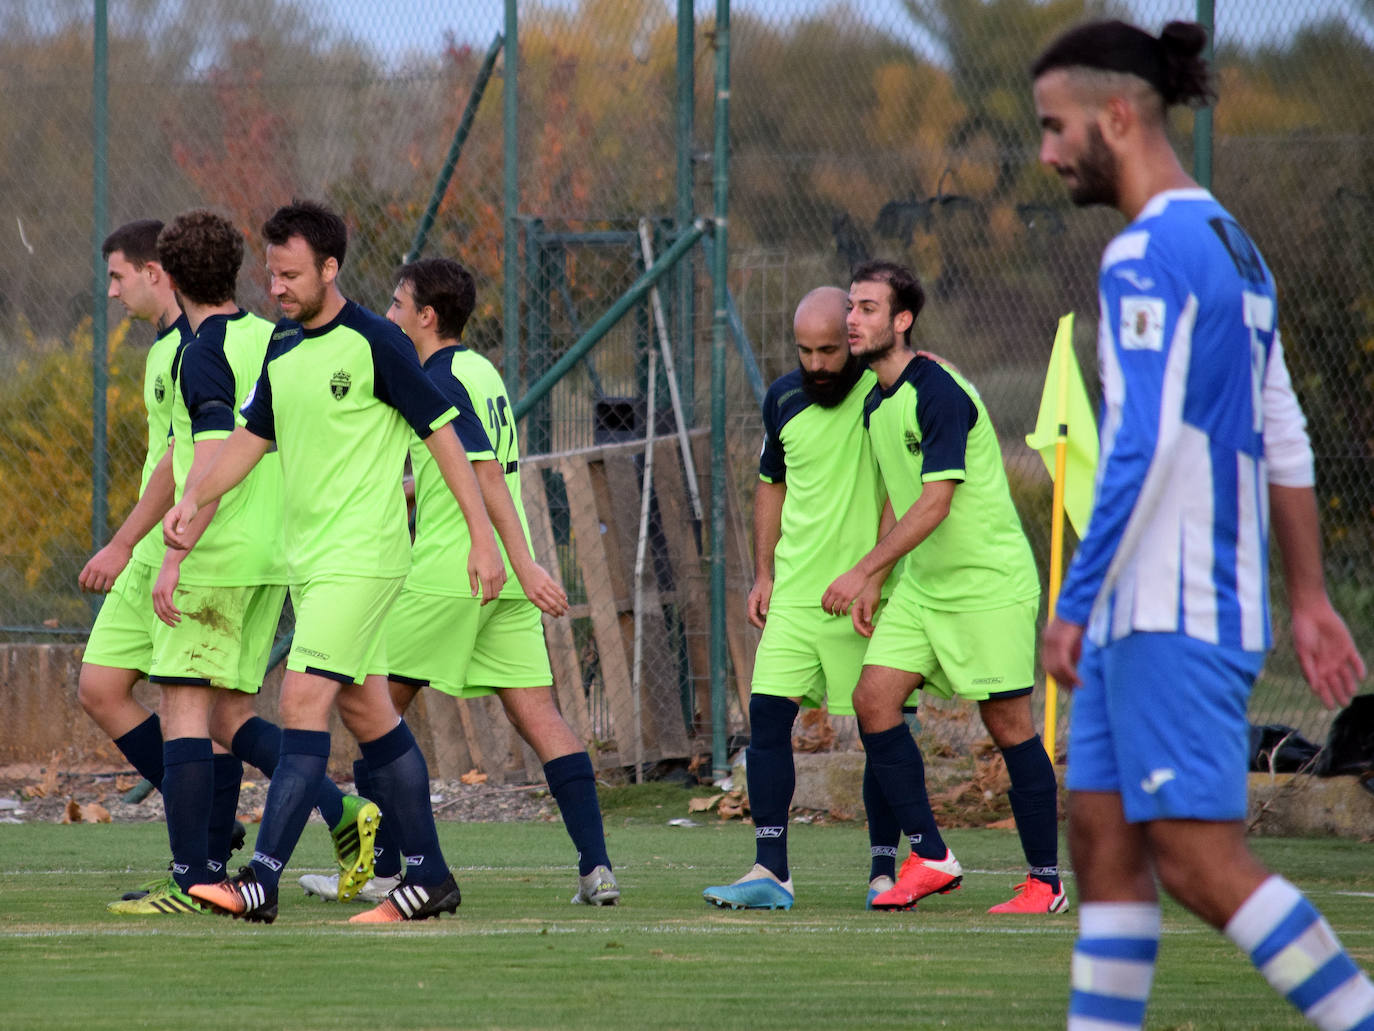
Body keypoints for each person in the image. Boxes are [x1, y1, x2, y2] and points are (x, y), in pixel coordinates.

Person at [1032, 20, 1374, 1031]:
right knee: (1102, 843)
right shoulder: (1232, 240)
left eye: (1057, 128)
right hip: (1166, 605)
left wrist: (1075, 598)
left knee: (1194, 856)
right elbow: (1284, 427)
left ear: (1119, 115)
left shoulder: (1146, 254)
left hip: (1169, 607)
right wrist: (1307, 595)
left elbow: (1139, 444)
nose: (1047, 152)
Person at [165, 200, 506, 925]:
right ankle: (431, 876)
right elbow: (247, 444)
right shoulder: (282, 352)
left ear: (330, 268)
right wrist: (192, 503)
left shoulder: (378, 342)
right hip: (311, 567)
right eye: (271, 273)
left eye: (291, 274)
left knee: (299, 701)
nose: (277, 287)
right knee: (370, 713)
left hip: (365, 559)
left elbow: (444, 434)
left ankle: (260, 880)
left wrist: (482, 535)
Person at [297, 256, 620, 907]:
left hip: (457, 567)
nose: (387, 315)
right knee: (540, 715)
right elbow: (461, 467)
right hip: (496, 567)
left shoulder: (438, 373)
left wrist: (517, 562)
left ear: (427, 316)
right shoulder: (483, 371)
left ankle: (384, 870)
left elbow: (485, 475)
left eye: (396, 304)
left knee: (373, 713)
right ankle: (598, 869)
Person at [108, 210, 375, 915]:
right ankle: (336, 810)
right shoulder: (278, 336)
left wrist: (175, 551)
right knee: (229, 712)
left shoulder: (200, 351)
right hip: (274, 551)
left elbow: (212, 448)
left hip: (218, 550)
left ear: (171, 274)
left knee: (184, 705)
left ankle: (192, 875)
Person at [822, 260, 1065, 915]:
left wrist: (865, 569)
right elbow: (897, 498)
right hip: (926, 588)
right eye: (851, 305)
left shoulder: (939, 390)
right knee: (873, 698)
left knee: (1008, 722)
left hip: (989, 583)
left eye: (868, 308)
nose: (852, 318)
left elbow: (934, 503)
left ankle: (1046, 881)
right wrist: (883, 579)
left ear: (902, 320)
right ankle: (931, 855)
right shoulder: (875, 401)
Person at [701, 286, 901, 911]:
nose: (815, 364)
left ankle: (884, 871)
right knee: (766, 725)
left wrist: (874, 575)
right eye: (804, 351)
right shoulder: (782, 397)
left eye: (828, 350)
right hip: (793, 598)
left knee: (882, 731)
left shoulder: (886, 395)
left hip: (866, 599)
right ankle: (771, 870)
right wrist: (763, 574)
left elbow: (906, 486)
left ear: (853, 338)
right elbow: (771, 486)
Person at [75, 221, 252, 898]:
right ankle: (208, 821)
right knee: (100, 686)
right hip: (157, 544)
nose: (113, 291)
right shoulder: (166, 350)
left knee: (206, 710)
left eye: (119, 276)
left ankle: (202, 861)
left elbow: (195, 460)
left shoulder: (202, 349)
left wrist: (144, 542)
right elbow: (170, 458)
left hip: (190, 545)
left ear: (159, 273)